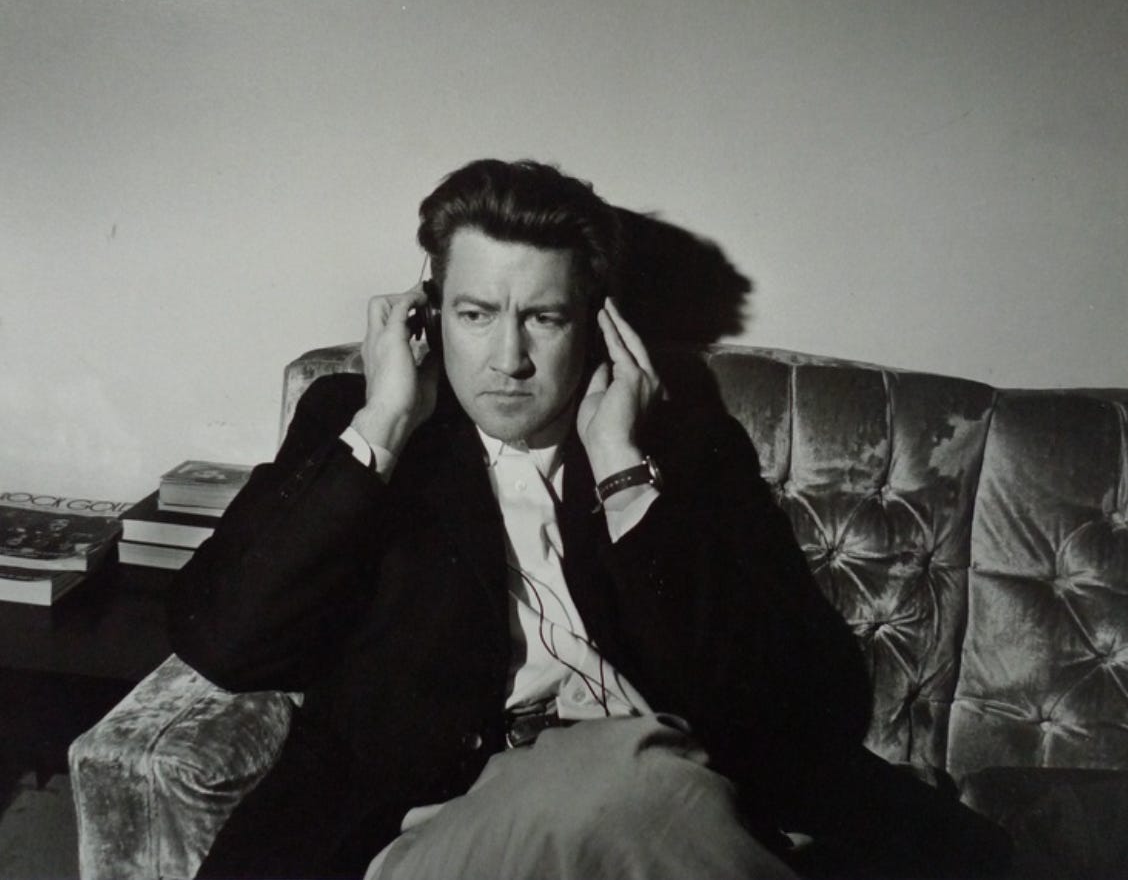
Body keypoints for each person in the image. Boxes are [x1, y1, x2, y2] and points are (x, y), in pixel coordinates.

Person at [170, 158, 1009, 879]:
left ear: (597, 325)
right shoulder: (356, 428)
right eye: (475, 315)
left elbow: (795, 708)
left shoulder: (679, 445)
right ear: (427, 314)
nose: (509, 359)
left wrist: (625, 477)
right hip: (433, 831)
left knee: (649, 784)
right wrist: (384, 424)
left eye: (544, 317)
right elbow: (226, 643)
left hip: (669, 824)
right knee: (631, 777)